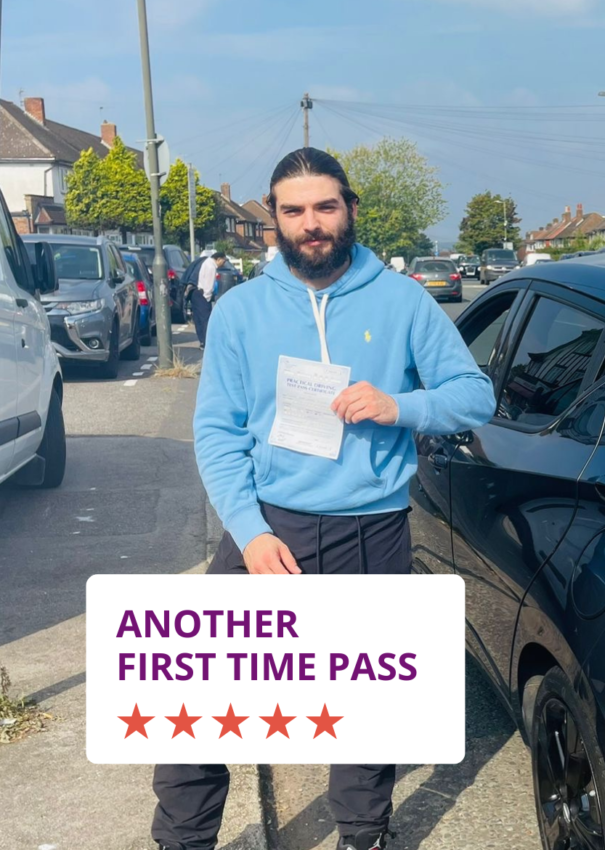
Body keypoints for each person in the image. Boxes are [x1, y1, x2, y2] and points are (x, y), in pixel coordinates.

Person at [150, 148, 496, 850]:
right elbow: (217, 432)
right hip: (268, 528)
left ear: (350, 210)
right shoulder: (240, 310)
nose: (311, 223)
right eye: (294, 210)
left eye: (325, 207)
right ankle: (182, 840)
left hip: (372, 528)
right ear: (275, 221)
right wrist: (249, 531)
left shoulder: (403, 300)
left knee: (365, 707)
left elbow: (475, 396)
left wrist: (400, 405)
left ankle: (363, 835)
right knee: (198, 701)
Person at [191, 251, 226, 349]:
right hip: (202, 295)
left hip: (196, 293)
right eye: (223, 261)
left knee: (198, 319)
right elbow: (209, 285)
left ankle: (202, 341)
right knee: (205, 319)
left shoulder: (206, 262)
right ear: (218, 259)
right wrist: (208, 297)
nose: (223, 264)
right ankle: (207, 342)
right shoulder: (211, 266)